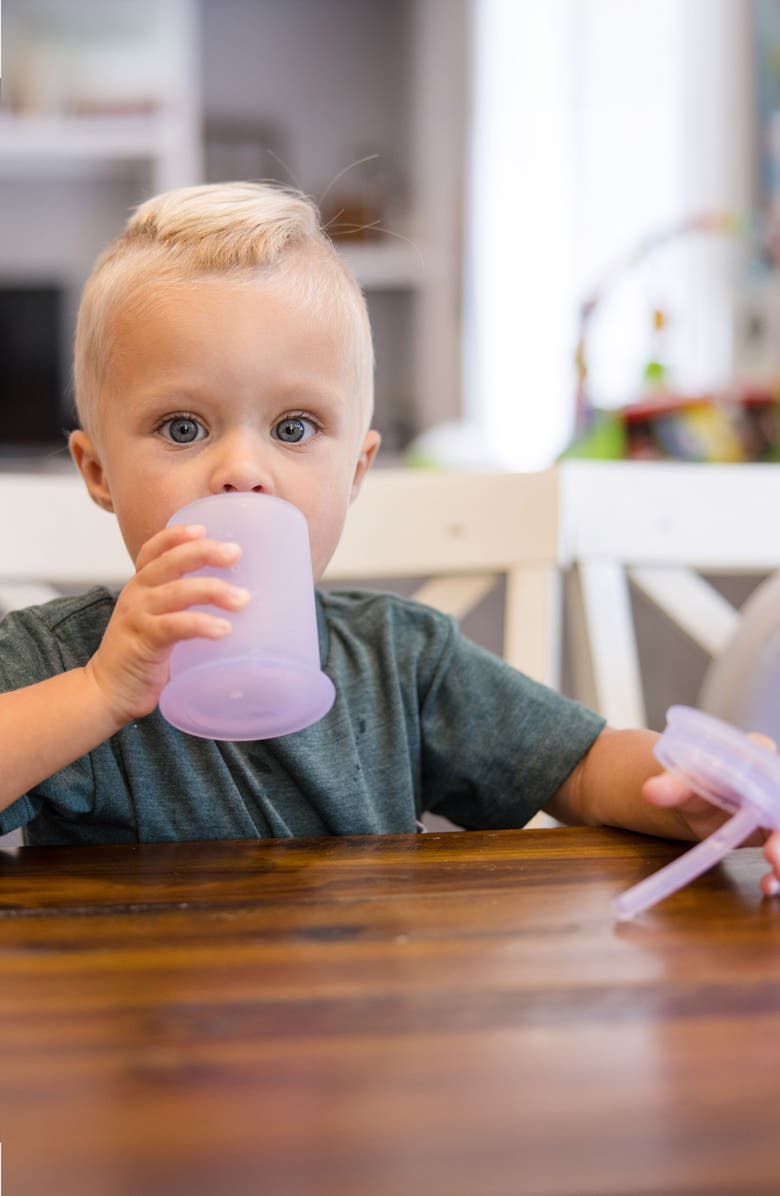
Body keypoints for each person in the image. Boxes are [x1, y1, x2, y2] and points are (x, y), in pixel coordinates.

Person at [1, 180, 779, 895]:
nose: (242, 470)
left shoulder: (402, 659)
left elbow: (582, 767)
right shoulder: (54, 665)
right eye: (182, 427)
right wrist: (101, 693)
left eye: (294, 427)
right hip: (133, 1023)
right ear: (98, 471)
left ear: (356, 470)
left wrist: (700, 794)